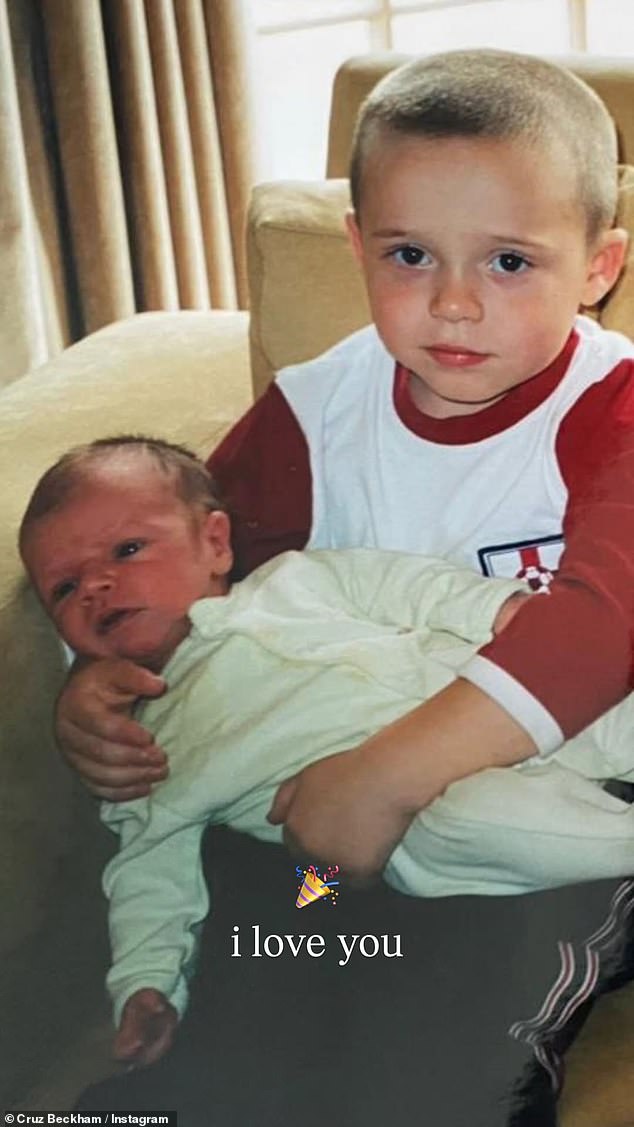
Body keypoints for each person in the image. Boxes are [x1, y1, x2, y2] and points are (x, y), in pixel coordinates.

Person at [54, 48, 634, 883]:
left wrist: (384, 778)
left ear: (597, 270)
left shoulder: (612, 407)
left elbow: (606, 630)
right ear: (358, 246)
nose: (454, 302)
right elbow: (184, 571)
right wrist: (97, 681)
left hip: (536, 786)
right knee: (262, 925)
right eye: (411, 255)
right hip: (355, 801)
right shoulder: (314, 409)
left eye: (509, 261)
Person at [19, 437, 634, 1070]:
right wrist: (146, 983)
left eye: (127, 550)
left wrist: (503, 612)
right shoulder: (143, 747)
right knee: (468, 827)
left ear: (215, 543)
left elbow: (410, 588)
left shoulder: (298, 580)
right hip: (363, 853)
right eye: (63, 589)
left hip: (484, 698)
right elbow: (147, 874)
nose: (95, 585)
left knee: (607, 697)